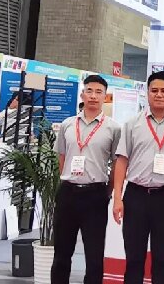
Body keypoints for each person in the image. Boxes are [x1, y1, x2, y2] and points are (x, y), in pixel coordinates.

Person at [113, 71, 164, 284]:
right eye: (154, 90)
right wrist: (118, 198)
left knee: (162, 258)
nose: (159, 95)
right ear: (147, 93)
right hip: (136, 196)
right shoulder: (132, 124)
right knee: (134, 258)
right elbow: (122, 160)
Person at [51, 74, 122, 284]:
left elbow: (117, 163)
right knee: (61, 254)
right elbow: (62, 158)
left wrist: (107, 192)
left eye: (99, 92)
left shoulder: (113, 128)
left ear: (105, 97)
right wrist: (69, 179)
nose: (93, 96)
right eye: (89, 91)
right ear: (82, 94)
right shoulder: (67, 124)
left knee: (94, 257)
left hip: (95, 195)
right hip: (68, 194)